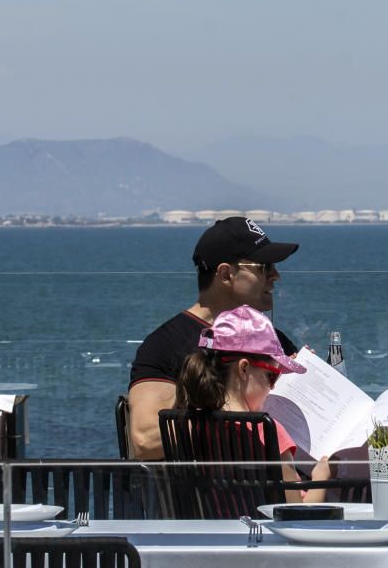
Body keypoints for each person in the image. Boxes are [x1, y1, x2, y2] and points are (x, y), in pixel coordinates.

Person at [128, 216, 301, 459]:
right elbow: (145, 439)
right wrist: (229, 415)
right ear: (226, 274)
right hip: (212, 493)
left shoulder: (273, 339)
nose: (275, 275)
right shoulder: (165, 345)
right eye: (264, 267)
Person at [175, 304, 330, 503]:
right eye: (272, 377)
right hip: (265, 532)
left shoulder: (194, 423)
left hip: (216, 531)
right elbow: (296, 513)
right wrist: (322, 476)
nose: (272, 388)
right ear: (244, 369)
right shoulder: (268, 431)